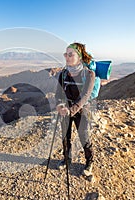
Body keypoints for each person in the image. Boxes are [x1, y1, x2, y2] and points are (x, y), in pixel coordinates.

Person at [55, 42, 95, 176]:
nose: (67, 57)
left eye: (70, 54)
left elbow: (85, 96)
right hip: (65, 110)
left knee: (84, 137)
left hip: (82, 111)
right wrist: (60, 105)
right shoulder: (63, 74)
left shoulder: (89, 74)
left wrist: (71, 110)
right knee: (65, 137)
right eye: (65, 54)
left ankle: (89, 161)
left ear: (79, 57)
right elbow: (58, 93)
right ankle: (67, 160)